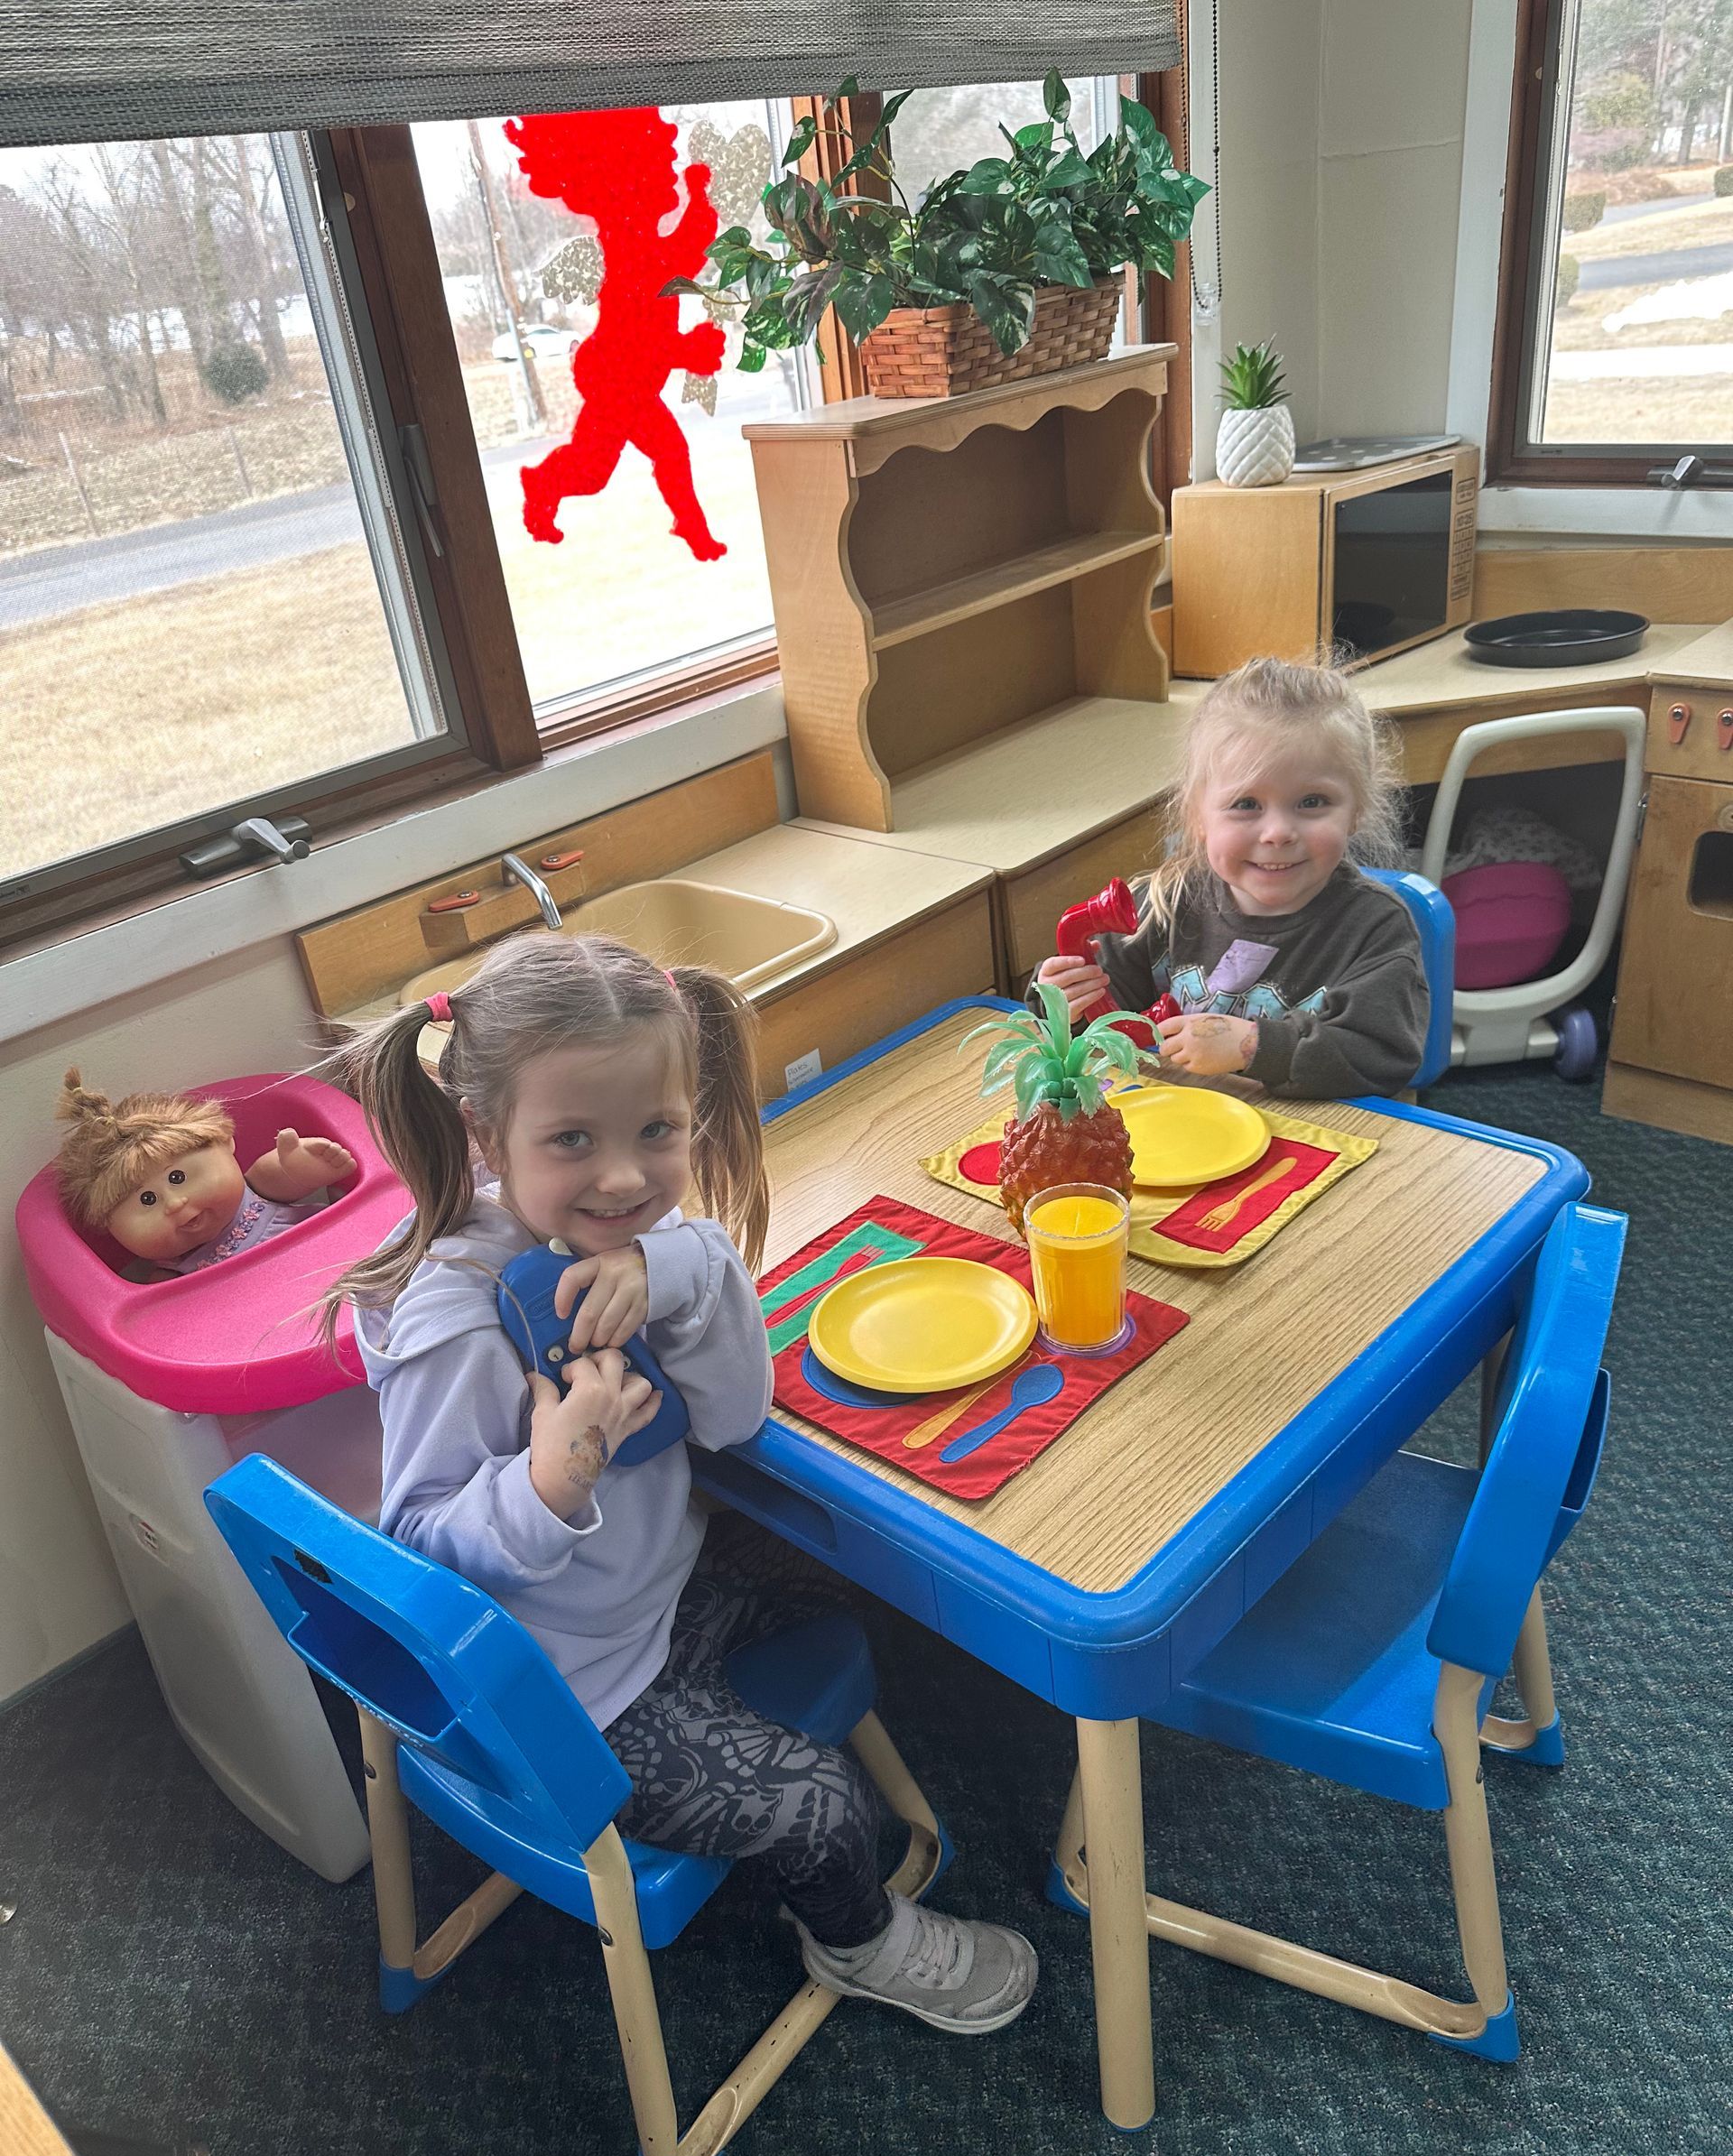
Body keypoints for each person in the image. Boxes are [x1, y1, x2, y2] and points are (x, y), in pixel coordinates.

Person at [327, 930, 1036, 2033]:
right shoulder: (454, 1320)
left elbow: (735, 1411)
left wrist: (683, 1266)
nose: (623, 1176)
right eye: (572, 1139)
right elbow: (417, 1544)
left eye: (656, 1132)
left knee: (885, 1552)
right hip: (573, 1688)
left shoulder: (623, 1242)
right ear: (484, 1133)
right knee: (821, 1807)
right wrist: (555, 1473)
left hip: (660, 1585)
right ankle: (859, 1944)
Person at [1036, 657, 1428, 1100]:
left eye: (1313, 801)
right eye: (1246, 804)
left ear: (1356, 810)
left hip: (1322, 1135)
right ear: (1198, 816)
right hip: (1186, 1125)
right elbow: (1103, 1029)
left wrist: (1254, 1047)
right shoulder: (1159, 905)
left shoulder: (1376, 927)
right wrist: (1062, 1004)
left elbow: (1382, 1057)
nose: (1278, 832)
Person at [52, 1068, 354, 1277]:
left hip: (339, 1266)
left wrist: (302, 1169)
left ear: (225, 1142)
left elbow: (282, 1178)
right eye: (147, 1199)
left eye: (177, 1178)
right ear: (109, 1226)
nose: (173, 1204)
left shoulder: (256, 1189)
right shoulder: (170, 1276)